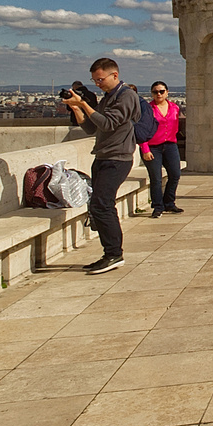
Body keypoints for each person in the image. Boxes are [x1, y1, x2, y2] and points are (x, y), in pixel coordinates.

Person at [62, 58, 140, 274]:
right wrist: (76, 108)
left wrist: (84, 104)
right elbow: (90, 128)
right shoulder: (108, 98)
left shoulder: (126, 96)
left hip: (118, 159)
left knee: (103, 204)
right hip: (103, 157)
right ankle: (109, 253)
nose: (97, 83)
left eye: (100, 79)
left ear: (114, 75)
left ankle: (114, 254)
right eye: (94, 80)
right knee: (98, 205)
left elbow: (108, 123)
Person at [141, 81, 184, 217]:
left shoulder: (174, 107)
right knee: (156, 178)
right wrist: (145, 149)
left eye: (161, 91)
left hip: (170, 144)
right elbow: (142, 130)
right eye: (155, 92)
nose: (158, 94)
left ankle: (169, 202)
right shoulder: (148, 109)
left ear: (167, 92)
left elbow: (176, 125)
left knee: (175, 174)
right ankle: (158, 206)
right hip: (153, 146)